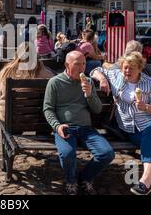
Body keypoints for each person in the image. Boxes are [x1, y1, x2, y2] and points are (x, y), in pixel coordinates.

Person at [90, 51, 151, 195]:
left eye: (131, 68)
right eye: (125, 67)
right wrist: (102, 79)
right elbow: (95, 70)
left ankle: (145, 180)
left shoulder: (149, 83)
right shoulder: (116, 76)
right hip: (131, 129)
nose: (127, 71)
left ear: (140, 69)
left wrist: (145, 107)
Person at [43, 51, 114, 195]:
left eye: (84, 64)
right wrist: (57, 126)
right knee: (67, 154)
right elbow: (48, 109)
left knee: (107, 153)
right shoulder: (55, 82)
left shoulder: (87, 82)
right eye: (77, 64)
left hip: (86, 129)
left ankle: (85, 177)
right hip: (65, 128)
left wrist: (89, 95)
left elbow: (97, 109)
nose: (81, 68)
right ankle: (71, 181)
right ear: (67, 65)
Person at [0, 42, 55, 122]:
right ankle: (41, 133)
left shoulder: (6, 71)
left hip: (9, 117)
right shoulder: (43, 71)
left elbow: (0, 92)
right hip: (37, 119)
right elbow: (55, 86)